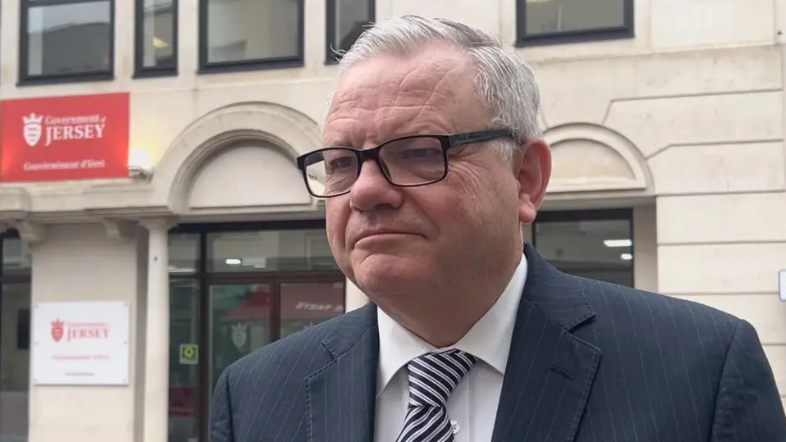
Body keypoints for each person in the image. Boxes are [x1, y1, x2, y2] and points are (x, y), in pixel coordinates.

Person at [210, 15, 786, 442]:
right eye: (340, 162)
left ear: (526, 179)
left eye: (417, 152)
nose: (364, 191)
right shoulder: (255, 396)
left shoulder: (701, 373)